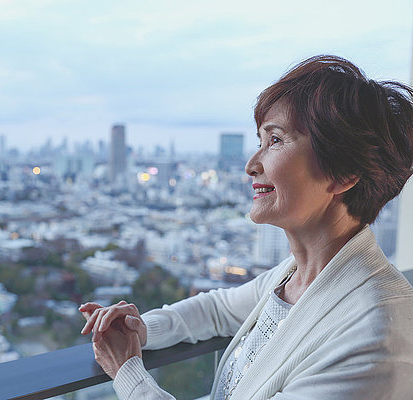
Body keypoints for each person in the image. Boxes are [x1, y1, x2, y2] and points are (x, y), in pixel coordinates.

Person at [79, 55, 413, 399]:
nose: (251, 165)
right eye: (260, 142)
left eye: (276, 140)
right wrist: (141, 328)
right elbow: (219, 309)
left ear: (343, 174)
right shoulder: (297, 276)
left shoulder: (372, 337)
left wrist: (127, 371)